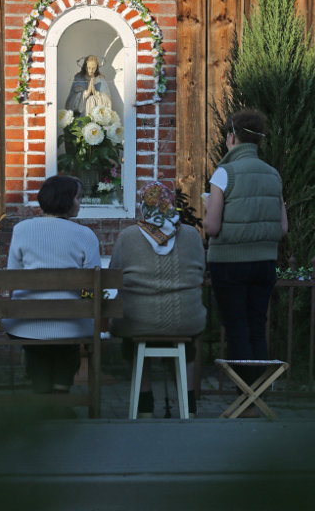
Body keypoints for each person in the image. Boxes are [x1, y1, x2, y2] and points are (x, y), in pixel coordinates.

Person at [204, 109, 288, 393]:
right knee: (256, 324)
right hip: (264, 262)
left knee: (237, 327)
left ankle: (246, 396)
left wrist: (207, 210)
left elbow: (212, 227)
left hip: (229, 263)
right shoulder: (273, 175)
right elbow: (283, 227)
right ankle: (258, 394)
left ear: (232, 137)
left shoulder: (223, 173)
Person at [109, 181, 206, 418]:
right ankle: (189, 404)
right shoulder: (192, 235)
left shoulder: (128, 237)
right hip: (187, 319)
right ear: (170, 204)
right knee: (188, 343)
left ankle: (144, 405)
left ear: (143, 204)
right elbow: (201, 271)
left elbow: (114, 277)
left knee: (132, 340)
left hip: (137, 319)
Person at [2, 175, 101, 394]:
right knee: (68, 335)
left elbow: (12, 276)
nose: (80, 202)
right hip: (71, 324)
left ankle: (42, 394)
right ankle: (60, 395)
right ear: (66, 200)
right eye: (78, 197)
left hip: (26, 322)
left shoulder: (21, 230)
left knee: (38, 342)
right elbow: (92, 289)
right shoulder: (85, 235)